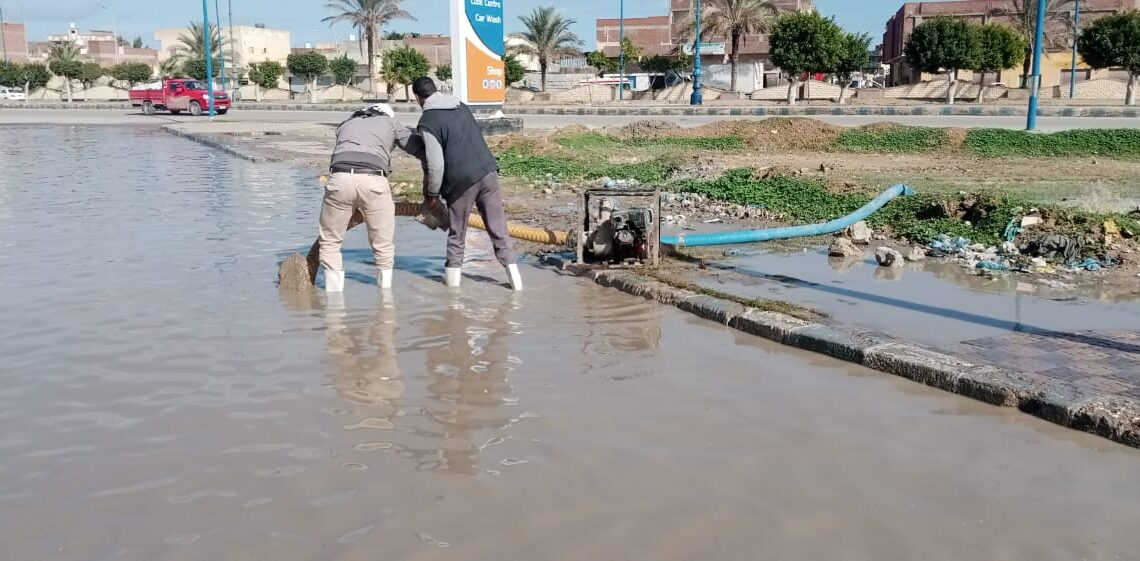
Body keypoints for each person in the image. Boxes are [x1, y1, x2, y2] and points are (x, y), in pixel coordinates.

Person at [412, 76, 522, 291]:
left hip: (461, 182)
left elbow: (436, 164)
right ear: (436, 90)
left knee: (457, 234)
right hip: (488, 171)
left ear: (418, 98)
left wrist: (433, 195)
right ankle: (517, 286)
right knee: (498, 229)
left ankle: (452, 295)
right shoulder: (460, 106)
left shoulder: (428, 121)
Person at [318, 103, 411, 293]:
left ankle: (334, 302)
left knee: (330, 241)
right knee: (382, 244)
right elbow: (413, 145)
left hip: (339, 179)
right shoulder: (391, 122)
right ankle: (385, 299)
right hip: (374, 181)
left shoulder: (347, 123)